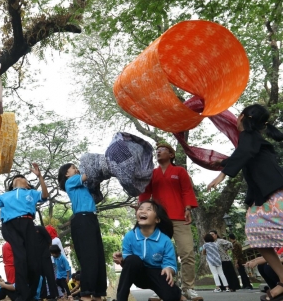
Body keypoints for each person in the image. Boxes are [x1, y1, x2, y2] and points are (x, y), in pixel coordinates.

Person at [207, 104, 283, 301]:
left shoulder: (248, 138)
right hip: (264, 199)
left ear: (240, 118)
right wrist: (223, 163)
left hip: (277, 194)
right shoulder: (251, 141)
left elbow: (245, 153)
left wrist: (222, 175)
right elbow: (244, 155)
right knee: (256, 234)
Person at [0, 164, 49, 300]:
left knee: (34, 263)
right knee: (20, 258)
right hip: (10, 226)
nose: (19, 178)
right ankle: (22, 295)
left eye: (22, 177)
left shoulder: (31, 193)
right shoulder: (6, 195)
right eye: (16, 177)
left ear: (28, 184)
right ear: (12, 185)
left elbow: (45, 195)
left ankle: (31, 293)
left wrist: (40, 177)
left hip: (28, 224)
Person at [139, 143, 200, 300]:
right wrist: (141, 208)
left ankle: (188, 288)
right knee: (158, 255)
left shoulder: (179, 171)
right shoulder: (153, 173)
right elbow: (146, 192)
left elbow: (187, 190)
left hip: (180, 217)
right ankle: (161, 288)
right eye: (157, 151)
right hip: (160, 220)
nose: (158, 152)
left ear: (172, 155)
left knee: (186, 253)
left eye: (162, 150)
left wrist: (188, 208)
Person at [113, 200, 186, 301]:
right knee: (132, 259)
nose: (143, 211)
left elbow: (169, 261)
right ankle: (120, 299)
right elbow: (128, 264)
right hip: (139, 275)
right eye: (141, 209)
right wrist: (122, 260)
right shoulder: (130, 236)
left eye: (148, 209)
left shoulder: (165, 240)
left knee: (171, 296)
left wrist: (169, 269)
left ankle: (178, 295)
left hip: (157, 275)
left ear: (157, 219)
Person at [58, 163, 107, 301]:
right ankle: (85, 294)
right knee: (89, 257)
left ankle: (97, 293)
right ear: (67, 174)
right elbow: (89, 174)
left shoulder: (82, 185)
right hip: (82, 219)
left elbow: (94, 185)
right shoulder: (71, 181)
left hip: (91, 218)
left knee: (98, 257)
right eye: (73, 168)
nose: (76, 169)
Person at [35, 225, 59, 300]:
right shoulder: (27, 233)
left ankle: (54, 294)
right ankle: (43, 295)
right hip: (36, 258)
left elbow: (49, 240)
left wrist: (46, 251)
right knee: (41, 277)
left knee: (50, 275)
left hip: (45, 256)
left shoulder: (39, 228)